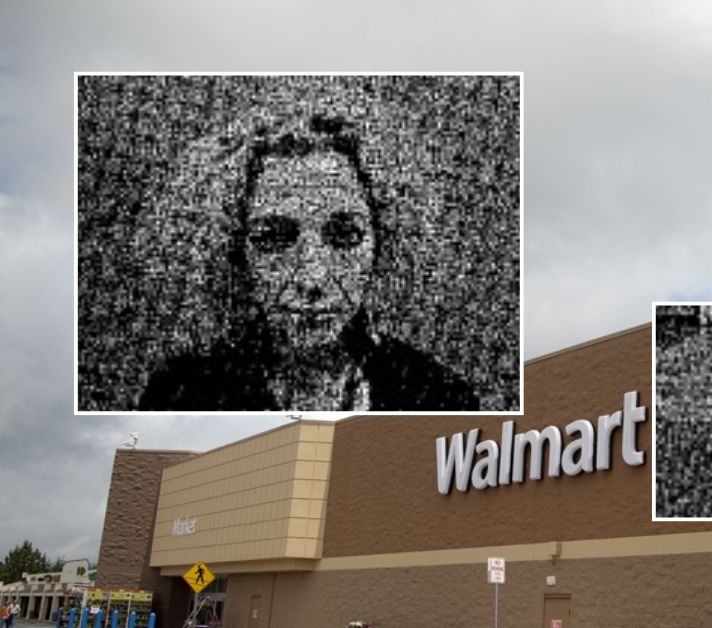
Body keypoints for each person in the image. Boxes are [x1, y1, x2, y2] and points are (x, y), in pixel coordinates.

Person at [138, 111, 479, 411]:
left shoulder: (439, 397)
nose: (312, 277)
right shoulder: (182, 396)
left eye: (345, 236)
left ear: (384, 243)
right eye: (272, 238)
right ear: (234, 253)